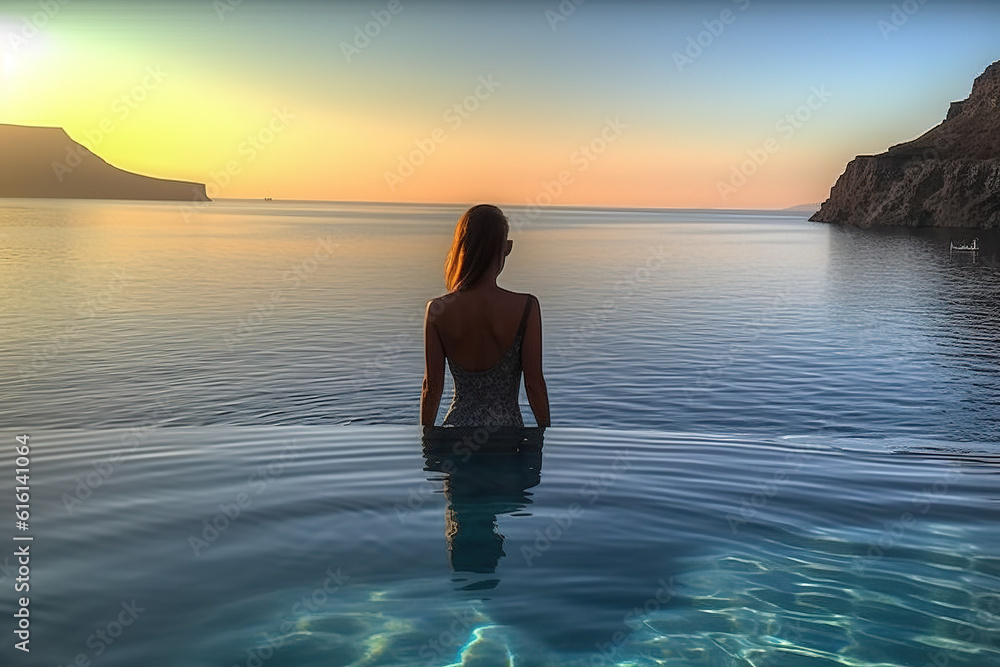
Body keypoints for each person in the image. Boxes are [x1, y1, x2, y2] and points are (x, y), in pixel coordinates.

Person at [420, 204, 550, 427]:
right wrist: (548, 437)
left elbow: (431, 389)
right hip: (507, 437)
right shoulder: (526, 308)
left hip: (456, 434)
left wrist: (426, 441)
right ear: (503, 249)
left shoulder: (437, 311)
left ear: (462, 248)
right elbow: (534, 384)